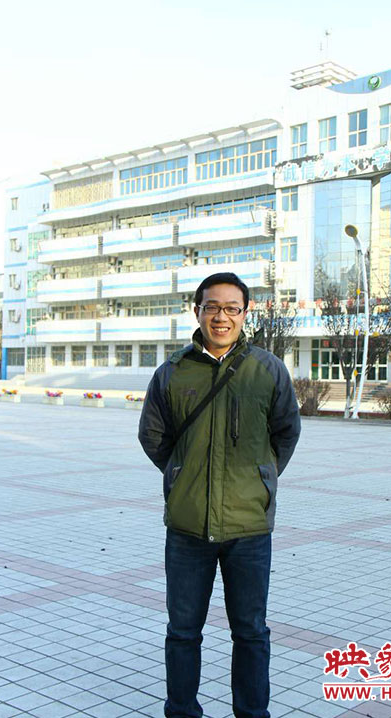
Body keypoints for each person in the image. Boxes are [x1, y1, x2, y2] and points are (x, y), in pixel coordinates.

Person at [139, 271, 301, 718]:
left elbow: (286, 432)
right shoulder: (172, 372)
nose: (222, 316)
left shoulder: (267, 370)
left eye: (232, 308)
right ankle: (182, 711)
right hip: (187, 528)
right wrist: (182, 474)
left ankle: (252, 713)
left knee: (250, 632)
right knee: (183, 632)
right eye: (212, 307)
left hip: (249, 529)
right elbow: (152, 435)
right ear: (197, 311)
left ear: (245, 313)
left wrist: (260, 478)